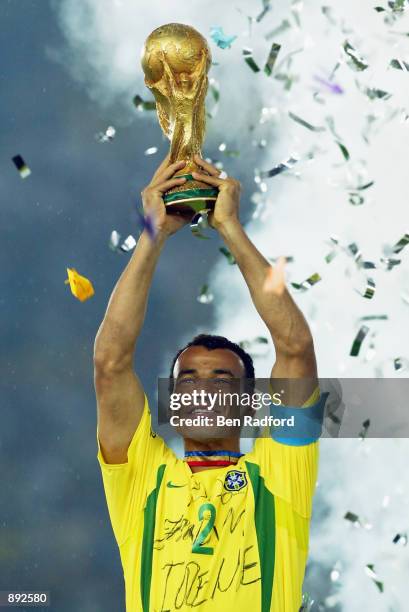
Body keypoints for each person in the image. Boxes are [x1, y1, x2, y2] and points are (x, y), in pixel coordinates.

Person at [94, 154, 329, 612]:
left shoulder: (281, 472)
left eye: (222, 379)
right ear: (172, 403)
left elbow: (295, 347)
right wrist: (151, 234)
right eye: (188, 379)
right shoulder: (142, 478)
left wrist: (231, 229)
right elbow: (110, 363)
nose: (201, 387)